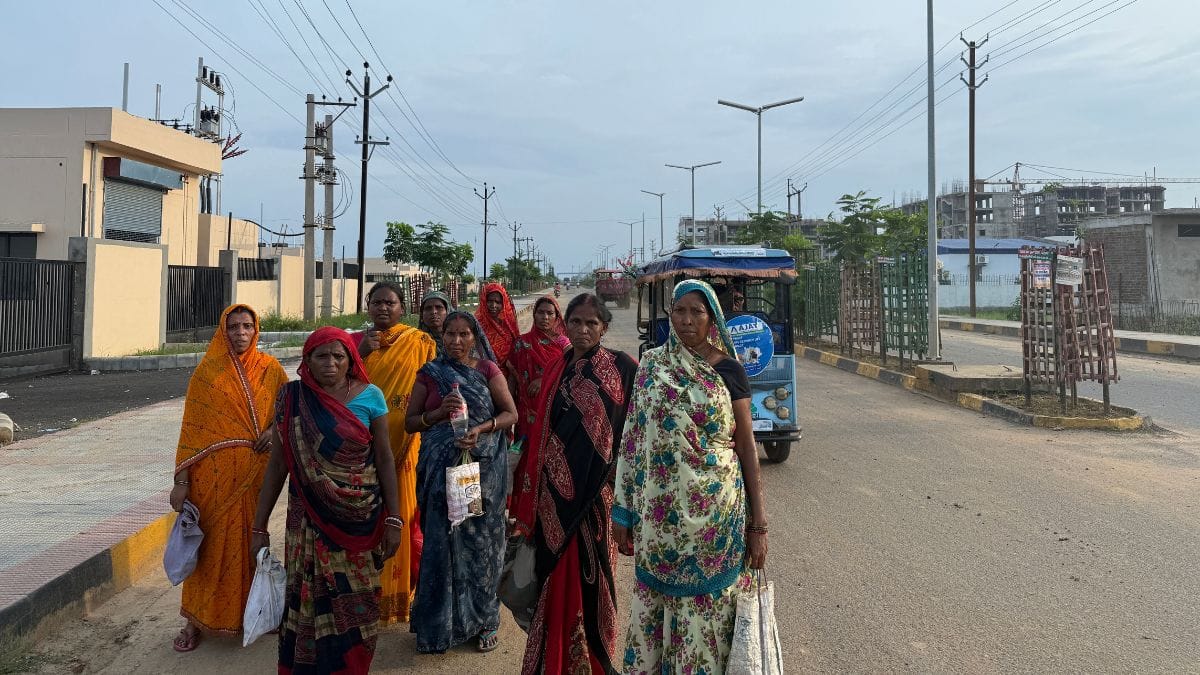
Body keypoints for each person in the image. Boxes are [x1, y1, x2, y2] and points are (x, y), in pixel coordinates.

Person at [613, 279, 770, 672]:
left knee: (711, 621)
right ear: (670, 314)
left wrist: (759, 524)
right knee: (658, 613)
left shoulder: (730, 370)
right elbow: (633, 439)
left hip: (717, 522)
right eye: (679, 311)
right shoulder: (652, 365)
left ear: (712, 317)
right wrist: (623, 511)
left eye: (696, 312)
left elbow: (747, 445)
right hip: (659, 524)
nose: (686, 320)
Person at [251, 327, 403, 675]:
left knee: (359, 596)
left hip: (360, 516)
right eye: (322, 355)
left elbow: (384, 460)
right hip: (307, 520)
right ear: (307, 361)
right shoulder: (291, 398)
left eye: (339, 355)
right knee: (306, 595)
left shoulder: (371, 396)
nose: (331, 363)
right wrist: (258, 526)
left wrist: (394, 519)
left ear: (351, 359)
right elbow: (278, 465)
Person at [511, 293, 638, 674]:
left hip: (598, 496)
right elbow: (540, 432)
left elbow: (634, 434)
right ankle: (553, 662)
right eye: (576, 322)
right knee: (554, 575)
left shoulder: (623, 368)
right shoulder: (557, 367)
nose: (583, 330)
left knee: (594, 576)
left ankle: (593, 663)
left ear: (604, 328)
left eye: (592, 324)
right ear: (565, 324)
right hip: (553, 496)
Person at [170, 304, 289, 652]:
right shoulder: (207, 374)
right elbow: (191, 432)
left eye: (247, 326)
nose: (240, 333)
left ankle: (260, 611)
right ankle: (194, 620)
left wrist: (273, 429)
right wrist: (181, 481)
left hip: (257, 475)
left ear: (257, 330)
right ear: (223, 329)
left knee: (254, 541)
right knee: (208, 549)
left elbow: (288, 410)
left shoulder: (271, 369)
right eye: (233, 326)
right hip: (212, 480)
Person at [404, 311, 518, 654]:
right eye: (450, 334)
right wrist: (438, 414)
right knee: (442, 542)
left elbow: (510, 412)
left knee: (479, 544)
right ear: (442, 337)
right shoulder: (430, 374)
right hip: (440, 474)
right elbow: (410, 423)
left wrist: (480, 430)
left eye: (464, 334)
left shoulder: (486, 370)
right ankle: (439, 624)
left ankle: (485, 620)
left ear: (474, 336)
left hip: (479, 473)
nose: (456, 341)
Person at [358, 281, 438, 625]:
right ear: (368, 307)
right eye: (377, 303)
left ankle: (400, 593)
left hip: (407, 445)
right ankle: (368, 590)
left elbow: (437, 385)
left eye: (390, 303)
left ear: (402, 308)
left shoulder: (420, 342)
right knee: (367, 518)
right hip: (362, 446)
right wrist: (360, 352)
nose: (383, 309)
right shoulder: (353, 344)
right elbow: (337, 383)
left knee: (403, 516)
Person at [505, 296, 570, 453]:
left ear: (556, 317)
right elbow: (513, 378)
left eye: (550, 313)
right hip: (526, 410)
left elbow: (570, 373)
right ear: (534, 314)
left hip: (553, 409)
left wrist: (544, 380)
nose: (545, 317)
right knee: (525, 454)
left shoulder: (564, 344)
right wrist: (508, 409)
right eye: (541, 312)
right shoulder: (521, 343)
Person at [475, 282, 520, 366]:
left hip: (509, 374)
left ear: (503, 304)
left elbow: (517, 348)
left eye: (498, 302)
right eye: (490, 301)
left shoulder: (508, 325)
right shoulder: (476, 324)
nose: (493, 305)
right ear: (484, 301)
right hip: (484, 372)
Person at [418, 291, 453, 356]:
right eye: (428, 308)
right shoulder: (415, 341)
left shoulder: (458, 340)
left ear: (448, 311)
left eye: (439, 307)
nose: (433, 312)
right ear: (422, 314)